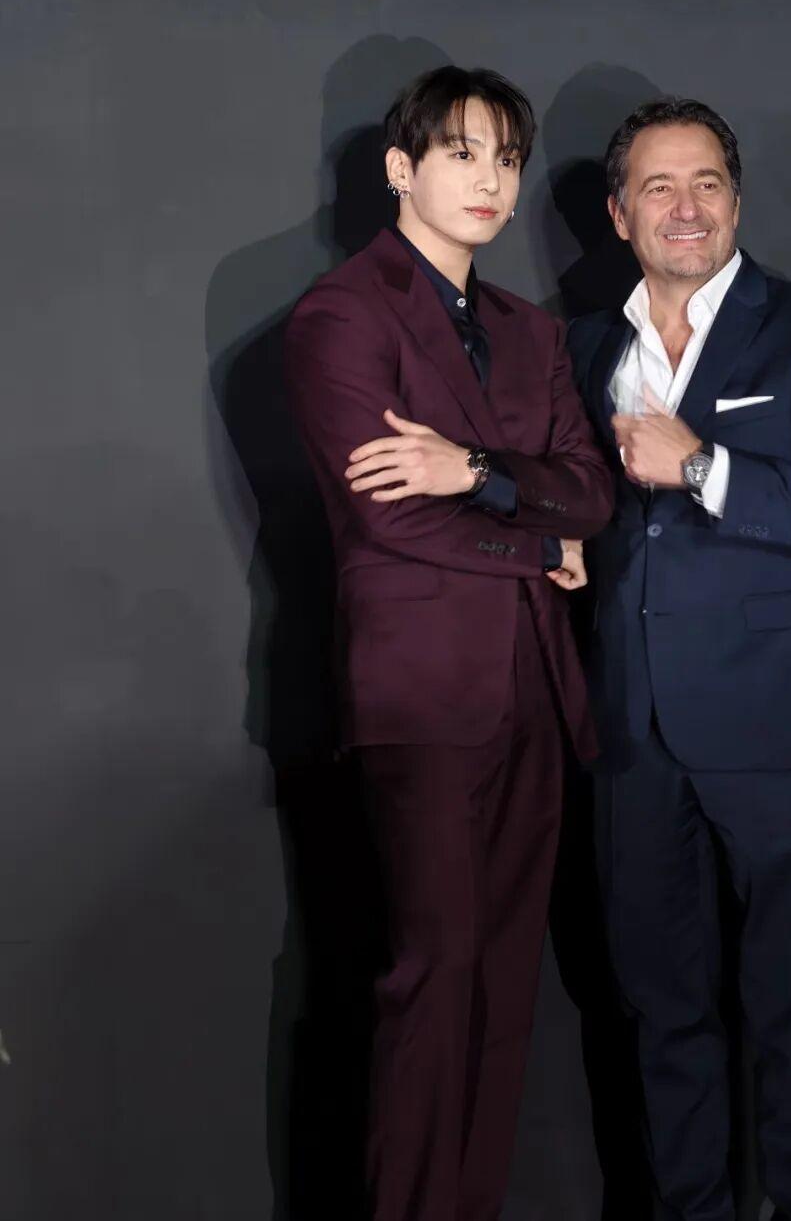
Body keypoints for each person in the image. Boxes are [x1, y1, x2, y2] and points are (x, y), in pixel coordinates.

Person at [283, 65, 613, 1221]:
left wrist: (473, 469)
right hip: (421, 697)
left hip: (538, 694)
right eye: (463, 152)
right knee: (434, 977)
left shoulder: (531, 331)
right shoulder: (342, 314)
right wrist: (538, 541)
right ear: (400, 167)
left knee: (504, 993)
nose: (491, 181)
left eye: (507, 159)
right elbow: (386, 515)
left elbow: (591, 493)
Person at [567, 96, 791, 1221]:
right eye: (658, 186)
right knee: (663, 1014)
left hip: (781, 730)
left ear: (737, 201)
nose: (687, 207)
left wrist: (704, 464)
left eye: (707, 182)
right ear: (620, 214)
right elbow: (584, 500)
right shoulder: (585, 346)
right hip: (633, 729)